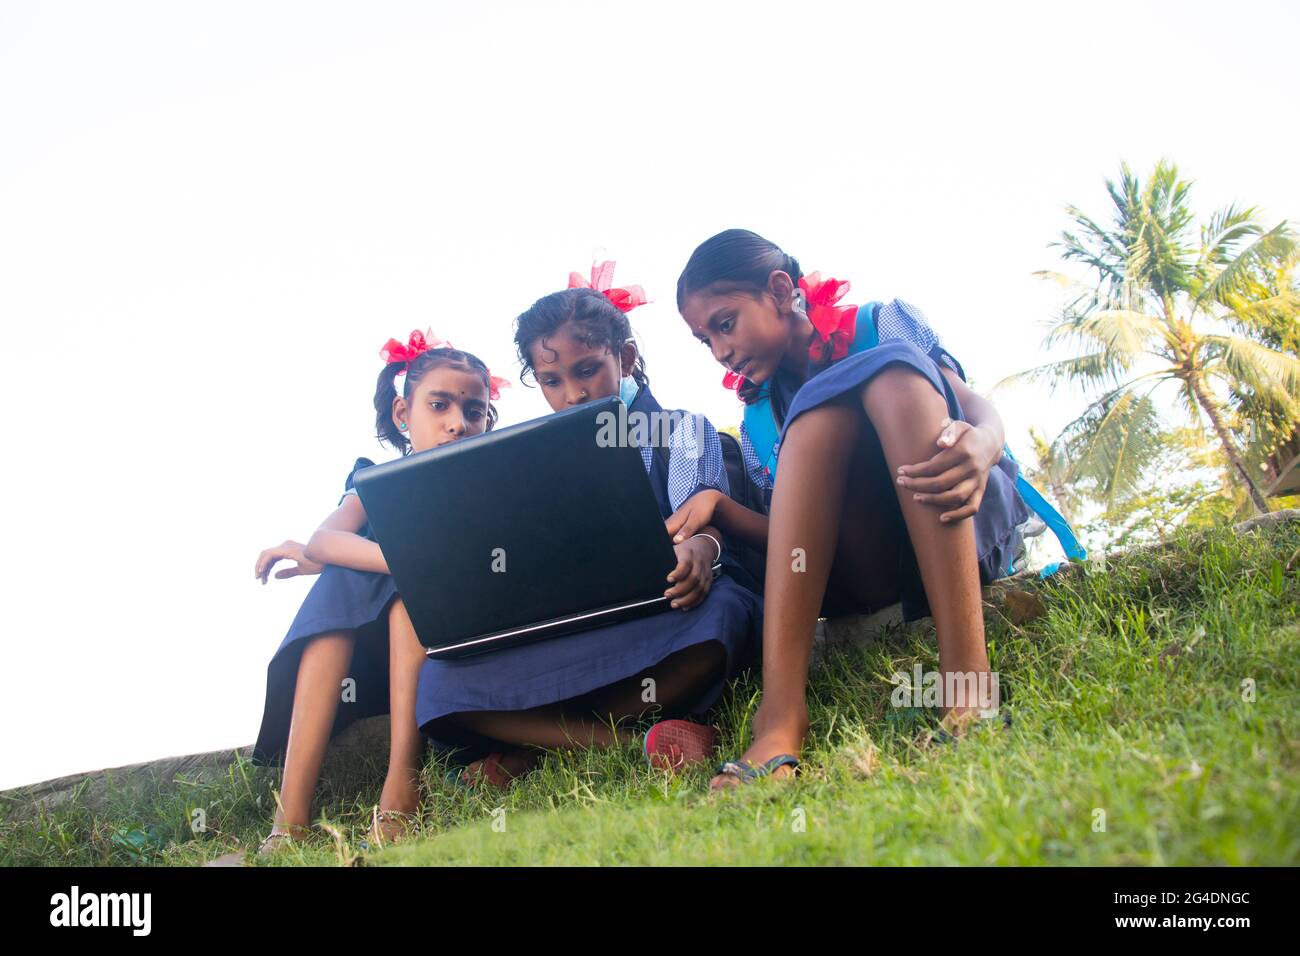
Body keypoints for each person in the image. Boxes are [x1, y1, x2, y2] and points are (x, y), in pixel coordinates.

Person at [671, 229, 1071, 788]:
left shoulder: (879, 322)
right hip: (863, 564)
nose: (721, 351)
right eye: (705, 340)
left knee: (893, 376)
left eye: (726, 323)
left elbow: (969, 400)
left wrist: (984, 442)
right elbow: (795, 535)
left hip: (956, 509)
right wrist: (719, 506)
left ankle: (969, 690)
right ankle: (781, 718)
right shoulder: (758, 416)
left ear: (781, 290)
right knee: (818, 419)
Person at [414, 264, 763, 786]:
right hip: (569, 631)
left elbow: (702, 517)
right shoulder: (527, 461)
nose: (572, 394)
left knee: (719, 620)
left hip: (664, 616)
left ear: (624, 358)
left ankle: (533, 741)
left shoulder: (678, 428)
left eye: (587, 370)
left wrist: (702, 552)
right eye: (552, 381)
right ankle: (630, 740)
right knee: (440, 684)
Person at [248, 332, 506, 848]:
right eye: (440, 404)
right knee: (352, 580)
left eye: (474, 410)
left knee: (389, 583)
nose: (458, 421)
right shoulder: (374, 477)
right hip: (378, 655)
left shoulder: (493, 476)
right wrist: (395, 560)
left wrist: (353, 560)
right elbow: (327, 539)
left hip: (464, 637)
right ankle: (290, 820)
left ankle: (402, 791)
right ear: (402, 412)